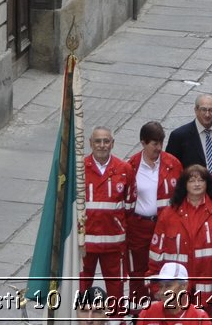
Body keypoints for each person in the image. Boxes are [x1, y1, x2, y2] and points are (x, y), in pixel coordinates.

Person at [149, 166, 212, 320]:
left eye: (200, 180)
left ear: (207, 184)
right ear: (184, 185)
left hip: (209, 290)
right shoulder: (168, 214)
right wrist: (155, 286)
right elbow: (155, 254)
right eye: (192, 180)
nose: (196, 184)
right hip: (176, 291)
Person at [127, 122, 187, 305]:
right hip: (139, 227)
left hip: (166, 226)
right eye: (154, 143)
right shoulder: (131, 166)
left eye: (161, 142)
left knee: (164, 267)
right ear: (143, 143)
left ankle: (162, 307)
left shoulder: (173, 164)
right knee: (137, 272)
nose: (159, 148)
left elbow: (182, 195)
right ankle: (139, 314)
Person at [81, 126, 133, 311]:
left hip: (114, 243)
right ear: (90, 144)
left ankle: (117, 322)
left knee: (116, 290)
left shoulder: (124, 169)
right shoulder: (79, 169)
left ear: (112, 143)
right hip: (84, 244)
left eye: (106, 141)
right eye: (98, 141)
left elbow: (130, 206)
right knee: (81, 288)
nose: (102, 145)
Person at [167, 96, 212, 174]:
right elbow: (170, 165)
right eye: (203, 110)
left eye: (211, 110)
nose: (207, 114)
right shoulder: (179, 135)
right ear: (196, 110)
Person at [138, 263, 212, 323]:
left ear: (184, 286)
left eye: (168, 286)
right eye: (160, 286)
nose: (162, 292)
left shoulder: (199, 318)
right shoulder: (147, 313)